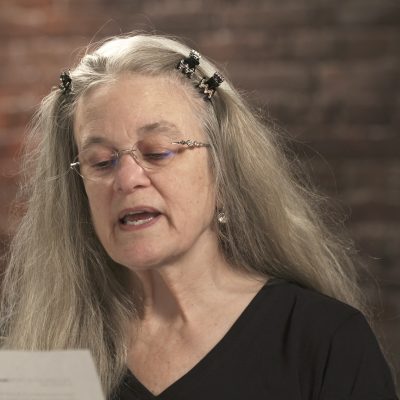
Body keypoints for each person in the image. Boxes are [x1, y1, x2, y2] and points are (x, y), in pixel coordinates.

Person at [0, 33, 397, 400]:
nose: (127, 179)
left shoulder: (322, 340)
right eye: (101, 162)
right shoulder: (48, 355)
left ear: (224, 172)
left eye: (157, 152)